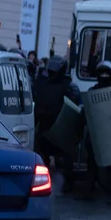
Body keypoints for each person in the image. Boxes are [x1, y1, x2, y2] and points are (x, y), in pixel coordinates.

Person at [33, 55, 80, 193]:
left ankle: (66, 184)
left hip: (59, 128)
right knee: (45, 157)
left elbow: (73, 107)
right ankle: (47, 183)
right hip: (47, 128)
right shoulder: (43, 84)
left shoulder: (69, 86)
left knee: (64, 158)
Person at [79, 61, 111, 200]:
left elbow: (84, 114)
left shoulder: (92, 92)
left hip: (95, 135)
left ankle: (89, 190)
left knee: (92, 164)